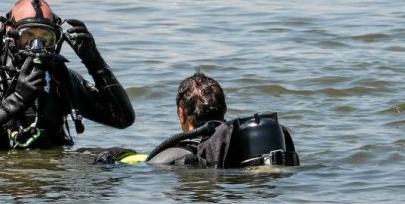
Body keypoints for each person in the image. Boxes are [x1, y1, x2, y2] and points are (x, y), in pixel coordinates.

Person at [0, 0, 134, 150]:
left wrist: (94, 61)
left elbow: (122, 119)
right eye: (28, 36)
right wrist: (17, 101)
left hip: (50, 186)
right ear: (10, 34)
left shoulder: (60, 78)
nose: (37, 46)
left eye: (45, 37)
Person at [96, 71, 299, 167]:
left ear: (181, 113)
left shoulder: (174, 155)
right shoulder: (243, 140)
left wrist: (109, 158)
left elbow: (148, 168)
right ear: (224, 109)